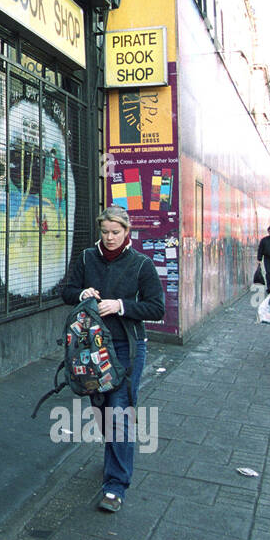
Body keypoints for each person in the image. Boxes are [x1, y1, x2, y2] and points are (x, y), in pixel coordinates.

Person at [60, 206, 165, 513]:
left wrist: (120, 305)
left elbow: (156, 308)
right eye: (104, 232)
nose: (109, 238)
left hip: (126, 348)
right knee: (102, 410)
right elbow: (66, 292)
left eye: (115, 233)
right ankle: (115, 454)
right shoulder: (85, 258)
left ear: (127, 232)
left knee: (120, 412)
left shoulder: (142, 265)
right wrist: (82, 294)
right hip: (90, 347)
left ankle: (115, 485)